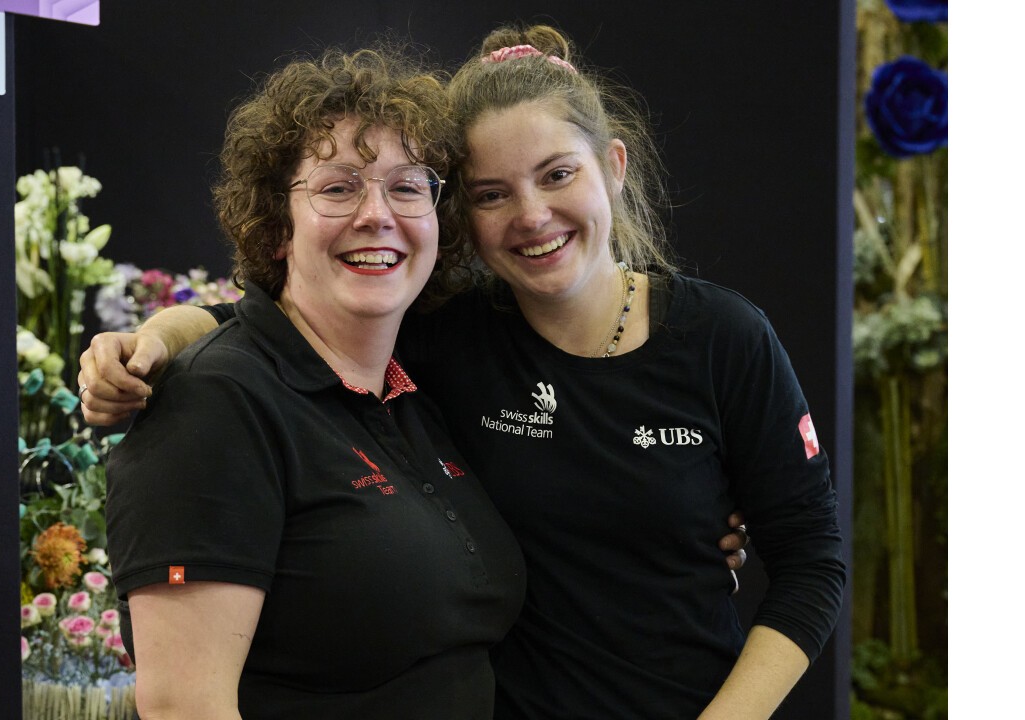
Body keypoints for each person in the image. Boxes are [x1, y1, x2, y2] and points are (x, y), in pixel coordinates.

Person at [84, 25, 843, 720]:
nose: (532, 214)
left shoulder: (722, 338)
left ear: (612, 168)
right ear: (463, 217)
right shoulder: (452, 335)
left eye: (556, 174)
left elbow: (813, 562)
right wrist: (152, 340)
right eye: (491, 194)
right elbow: (267, 327)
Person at [104, 47, 527, 720]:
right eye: (338, 187)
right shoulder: (215, 404)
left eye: (408, 186)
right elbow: (185, 708)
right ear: (277, 229)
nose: (377, 214)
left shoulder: (407, 394)